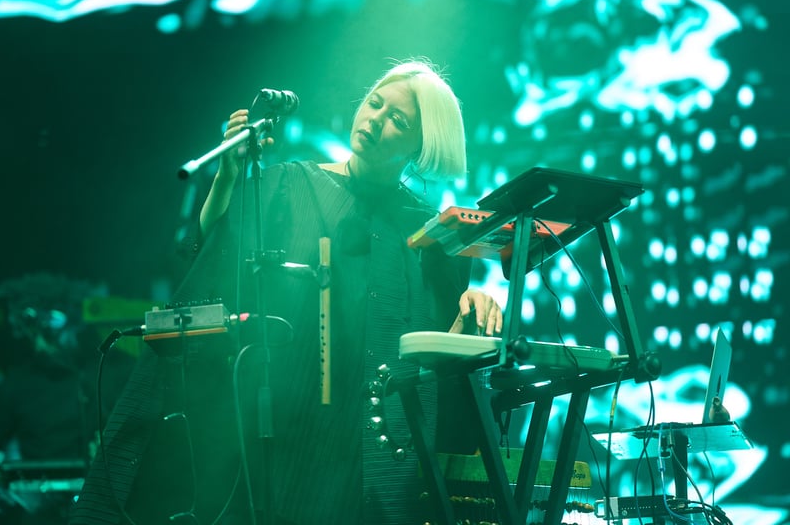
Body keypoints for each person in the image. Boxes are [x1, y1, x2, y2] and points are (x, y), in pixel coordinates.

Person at [70, 59, 504, 525]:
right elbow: (217, 253)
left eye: (397, 119)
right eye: (375, 103)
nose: (375, 119)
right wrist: (227, 176)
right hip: (285, 420)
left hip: (369, 445)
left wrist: (471, 308)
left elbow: (434, 354)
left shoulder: (428, 228)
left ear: (422, 145)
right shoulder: (288, 183)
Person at [0, 272, 135, 524]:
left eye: (49, 329)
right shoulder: (17, 382)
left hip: (108, 498)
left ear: (73, 321)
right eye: (32, 332)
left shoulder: (114, 367)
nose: (40, 342)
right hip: (41, 510)